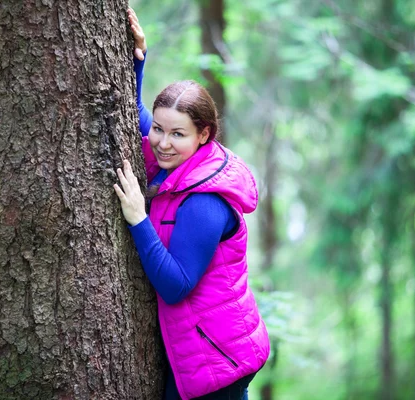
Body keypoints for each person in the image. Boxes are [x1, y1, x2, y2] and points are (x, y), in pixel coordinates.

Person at [113, 8, 270, 400]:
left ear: (204, 134)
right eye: (160, 131)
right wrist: (137, 59)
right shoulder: (177, 165)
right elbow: (134, 116)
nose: (163, 143)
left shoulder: (205, 201)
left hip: (219, 364)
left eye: (177, 134)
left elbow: (176, 285)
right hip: (199, 353)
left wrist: (137, 218)